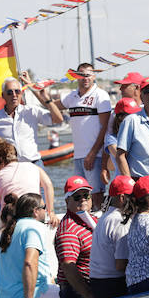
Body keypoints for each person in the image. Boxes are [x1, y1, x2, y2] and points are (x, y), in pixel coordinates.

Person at [0, 75, 63, 189]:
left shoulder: (31, 111)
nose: (14, 95)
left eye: (17, 91)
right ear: (3, 95)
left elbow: (58, 119)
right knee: (8, 205)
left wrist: (47, 99)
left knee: (40, 204)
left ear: (21, 93)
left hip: (33, 165)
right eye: (9, 92)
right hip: (8, 169)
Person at [53, 63, 113, 207]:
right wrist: (35, 90)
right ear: (76, 77)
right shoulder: (72, 97)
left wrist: (92, 153)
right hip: (78, 155)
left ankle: (99, 226)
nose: (85, 78)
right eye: (81, 75)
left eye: (88, 75)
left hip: (95, 155)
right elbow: (50, 106)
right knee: (81, 196)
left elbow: (105, 127)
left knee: (97, 196)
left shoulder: (100, 95)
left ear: (94, 76)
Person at [0, 193, 61, 298]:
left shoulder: (9, 229)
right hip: (28, 297)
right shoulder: (34, 227)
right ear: (36, 211)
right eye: (44, 208)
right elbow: (29, 263)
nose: (45, 212)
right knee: (77, 295)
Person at [0, 138, 58, 226]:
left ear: (1, 161)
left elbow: (2, 200)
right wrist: (51, 212)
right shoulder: (34, 167)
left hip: (9, 221)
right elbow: (48, 186)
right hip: (34, 214)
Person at [89, 176, 135, 298]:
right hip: (112, 285)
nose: (137, 200)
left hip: (97, 283)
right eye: (133, 197)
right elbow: (121, 265)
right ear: (122, 198)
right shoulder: (120, 221)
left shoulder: (105, 217)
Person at [55, 176, 97, 298]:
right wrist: (88, 295)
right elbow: (68, 266)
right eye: (77, 197)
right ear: (67, 201)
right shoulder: (68, 230)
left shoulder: (91, 219)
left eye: (86, 195)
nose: (83, 199)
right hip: (76, 291)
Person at [101, 97, 140, 185]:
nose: (135, 117)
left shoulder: (138, 134)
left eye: (137, 114)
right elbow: (121, 155)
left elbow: (111, 166)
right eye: (131, 115)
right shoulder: (111, 139)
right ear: (120, 117)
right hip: (123, 183)